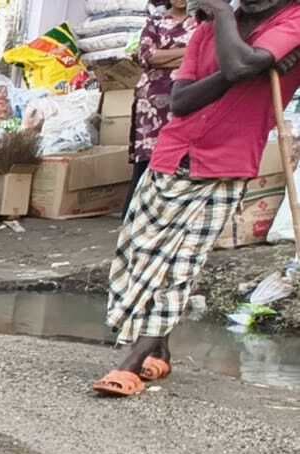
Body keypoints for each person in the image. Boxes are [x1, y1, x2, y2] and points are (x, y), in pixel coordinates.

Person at [94, 0, 300, 397]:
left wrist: (227, 23)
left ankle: (131, 363)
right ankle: (161, 351)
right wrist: (243, 63)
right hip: (174, 153)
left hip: (225, 164)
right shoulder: (208, 29)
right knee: (139, 255)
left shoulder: (291, 20)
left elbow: (242, 66)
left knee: (178, 265)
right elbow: (181, 100)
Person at [127, 0, 199, 209]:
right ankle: (133, 212)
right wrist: (187, 53)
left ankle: (166, 211)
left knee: (179, 157)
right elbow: (146, 56)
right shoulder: (155, 22)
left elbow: (204, 56)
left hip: (186, 96)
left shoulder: (200, 24)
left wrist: (164, 56)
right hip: (152, 101)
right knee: (147, 159)